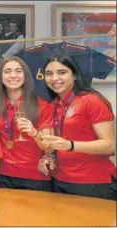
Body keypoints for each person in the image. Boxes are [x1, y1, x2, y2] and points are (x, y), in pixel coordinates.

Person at [40, 56, 116, 200]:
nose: (54, 78)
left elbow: (109, 145)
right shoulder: (53, 105)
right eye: (49, 74)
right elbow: (54, 142)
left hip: (94, 182)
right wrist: (49, 156)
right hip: (60, 180)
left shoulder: (91, 100)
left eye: (62, 72)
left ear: (74, 75)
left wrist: (70, 145)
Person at [0, 57, 53, 191]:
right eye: (7, 71)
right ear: (0, 77)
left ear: (25, 76)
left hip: (34, 175)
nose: (13, 75)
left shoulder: (42, 106)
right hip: (4, 174)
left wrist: (34, 133)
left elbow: (49, 147)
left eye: (18, 71)